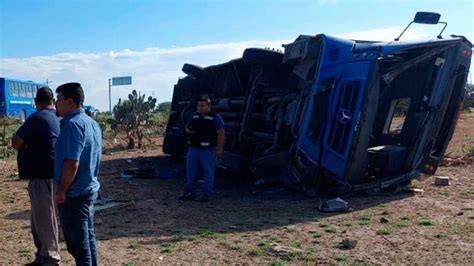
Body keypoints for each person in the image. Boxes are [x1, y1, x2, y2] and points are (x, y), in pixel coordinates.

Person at [54, 82, 102, 266]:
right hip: (87, 189)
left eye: (59, 99)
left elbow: (71, 163)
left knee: (77, 244)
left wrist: (62, 192)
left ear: (70, 101)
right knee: (87, 238)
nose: (56, 103)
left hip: (75, 194)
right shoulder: (91, 122)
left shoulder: (73, 125)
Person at [12, 87, 61, 266]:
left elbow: (16, 141)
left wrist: (25, 147)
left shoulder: (37, 118)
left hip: (42, 177)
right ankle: (43, 255)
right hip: (53, 175)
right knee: (40, 220)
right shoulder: (56, 117)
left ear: (36, 102)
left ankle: (50, 257)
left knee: (45, 220)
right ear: (53, 101)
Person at [179, 96, 225, 202]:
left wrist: (219, 148)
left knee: (208, 172)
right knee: (190, 171)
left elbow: (221, 132)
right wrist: (188, 130)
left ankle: (206, 194)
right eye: (198, 105)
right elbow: (187, 126)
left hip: (207, 150)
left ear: (209, 106)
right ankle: (190, 192)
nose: (200, 108)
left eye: (202, 106)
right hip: (194, 148)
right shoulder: (194, 115)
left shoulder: (215, 117)